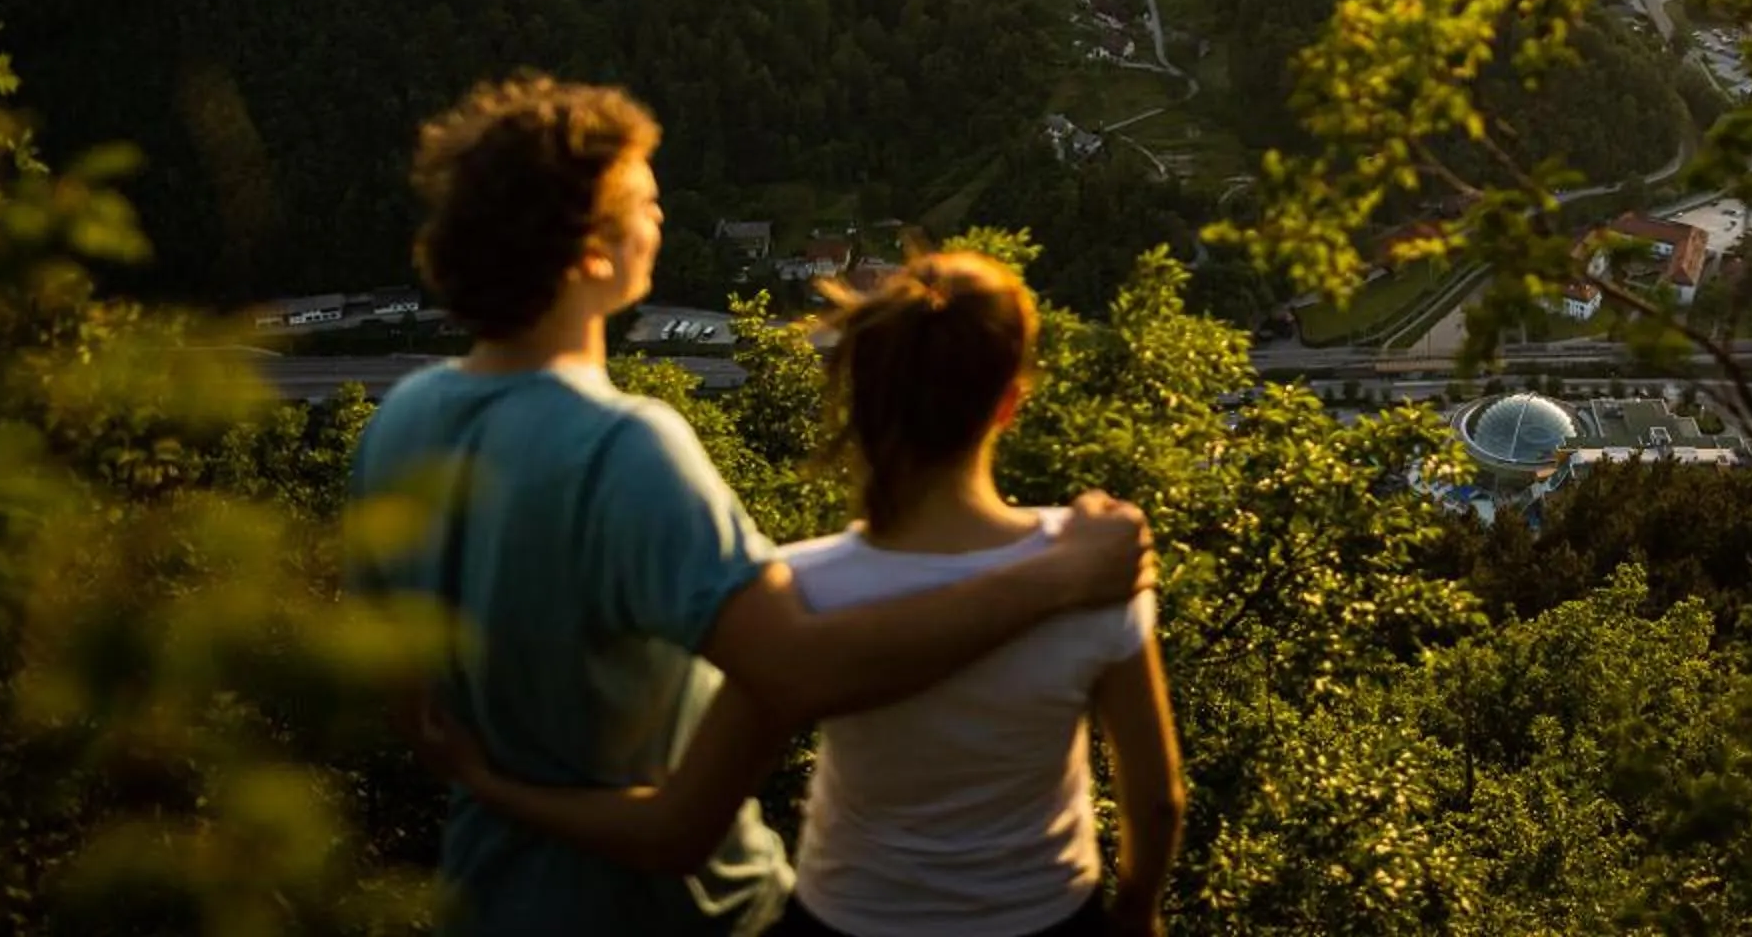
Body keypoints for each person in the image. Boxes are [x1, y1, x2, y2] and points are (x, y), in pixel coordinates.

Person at [346, 77, 1154, 936]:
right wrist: (1059, 577)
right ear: (591, 253)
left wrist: (493, 784)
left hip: (486, 893)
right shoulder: (623, 449)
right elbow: (803, 671)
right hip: (669, 913)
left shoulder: (401, 421)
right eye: (644, 202)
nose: (661, 217)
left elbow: (409, 705)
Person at [431, 251, 1186, 937]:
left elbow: (676, 830)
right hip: (1046, 915)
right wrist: (1137, 907)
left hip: (854, 919)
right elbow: (1157, 800)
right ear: (1007, 404)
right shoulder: (1099, 563)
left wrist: (491, 784)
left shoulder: (800, 593)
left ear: (865, 397)